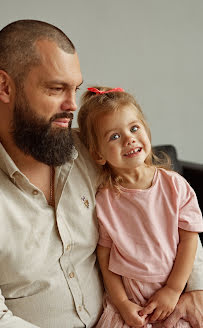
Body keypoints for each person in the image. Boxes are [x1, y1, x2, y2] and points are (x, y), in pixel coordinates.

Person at [0, 20, 202, 328]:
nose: (72, 105)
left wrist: (196, 290)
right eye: (56, 88)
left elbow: (169, 214)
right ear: (5, 87)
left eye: (74, 88)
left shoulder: (89, 151)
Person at [77, 86, 203, 327]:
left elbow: (190, 240)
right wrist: (123, 303)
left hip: (174, 297)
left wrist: (173, 290)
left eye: (134, 128)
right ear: (98, 155)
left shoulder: (175, 186)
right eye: (114, 136)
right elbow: (105, 258)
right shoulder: (104, 201)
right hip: (131, 305)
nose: (129, 139)